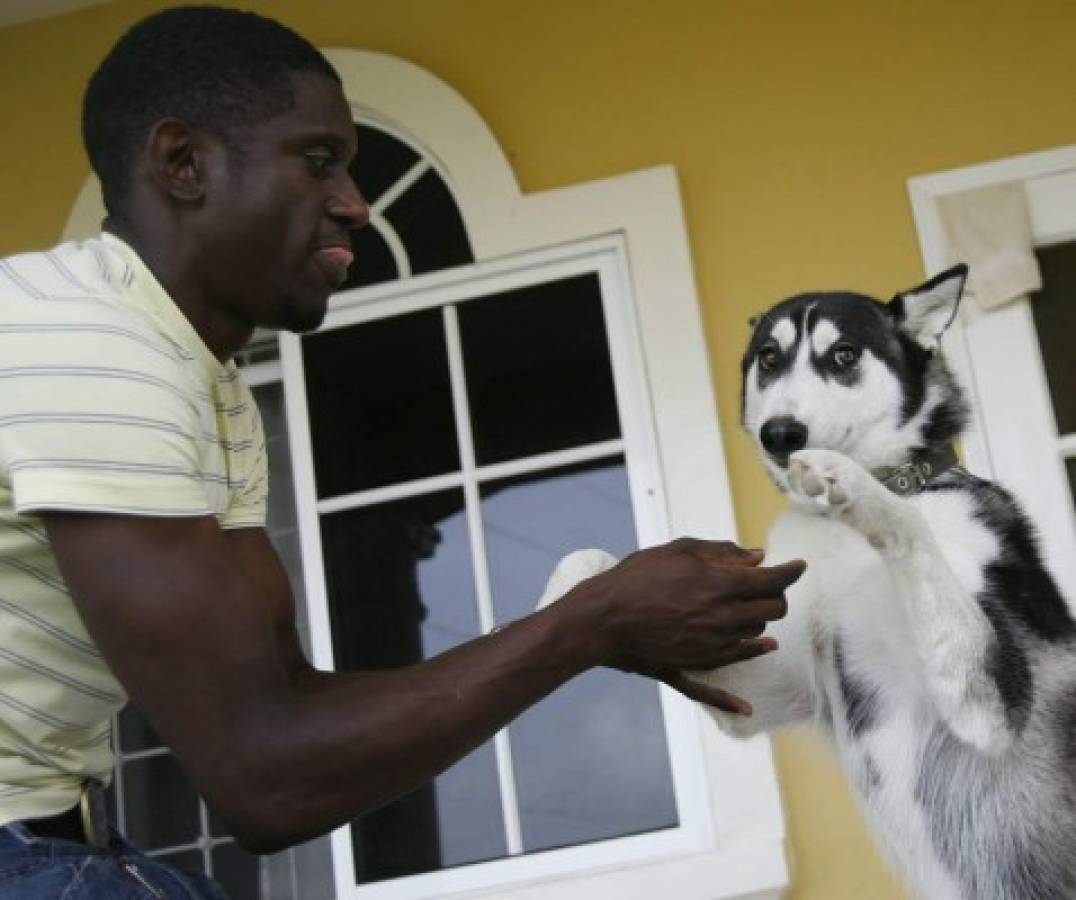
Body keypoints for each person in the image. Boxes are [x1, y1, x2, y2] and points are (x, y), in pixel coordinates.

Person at [0, 6, 804, 898]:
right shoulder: (95, 345)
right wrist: (589, 624)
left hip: (64, 840)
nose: (356, 201)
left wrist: (575, 626)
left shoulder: (205, 380)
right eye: (317, 161)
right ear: (182, 163)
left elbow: (292, 712)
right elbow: (266, 782)